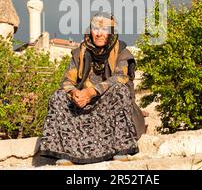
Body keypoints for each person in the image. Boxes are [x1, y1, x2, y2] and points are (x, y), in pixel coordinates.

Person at [38, 12, 145, 165]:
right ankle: (67, 153)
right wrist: (75, 93)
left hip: (109, 108)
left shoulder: (122, 52)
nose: (100, 34)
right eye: (96, 29)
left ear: (112, 32)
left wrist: (91, 92)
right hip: (84, 107)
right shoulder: (79, 53)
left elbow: (119, 78)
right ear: (90, 30)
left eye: (105, 29)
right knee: (58, 96)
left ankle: (119, 150)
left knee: (119, 91)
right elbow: (67, 80)